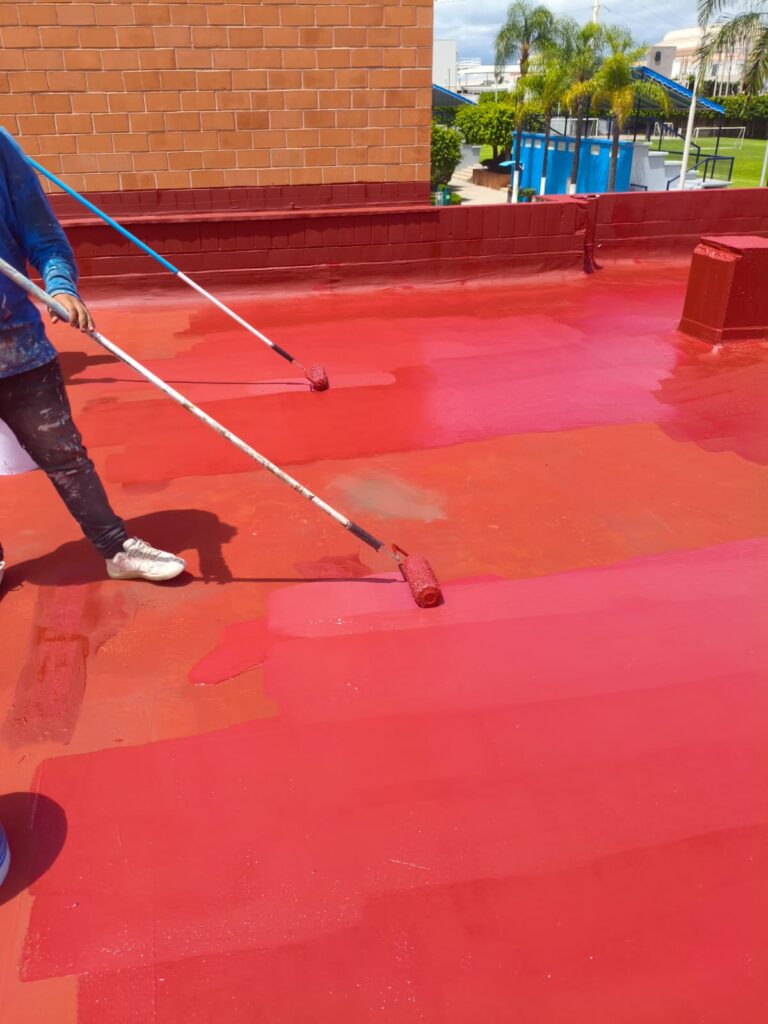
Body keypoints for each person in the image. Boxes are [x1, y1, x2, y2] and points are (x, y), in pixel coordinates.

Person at [0, 127, 185, 587]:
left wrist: (60, 285)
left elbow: (44, 238)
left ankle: (115, 548)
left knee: (66, 458)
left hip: (19, 350)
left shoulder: (0, 148)